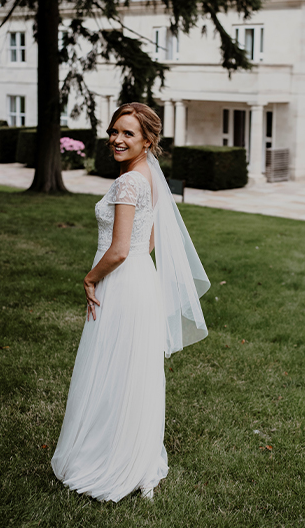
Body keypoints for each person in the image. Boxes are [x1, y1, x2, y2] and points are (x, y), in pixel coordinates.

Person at [51, 103, 209, 502]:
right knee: (131, 370)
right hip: (142, 281)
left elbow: (119, 250)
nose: (117, 140)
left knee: (111, 368)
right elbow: (147, 240)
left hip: (120, 281)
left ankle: (107, 458)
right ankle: (133, 455)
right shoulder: (149, 179)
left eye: (128, 134)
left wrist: (91, 277)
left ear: (148, 141)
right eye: (114, 131)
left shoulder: (128, 183)